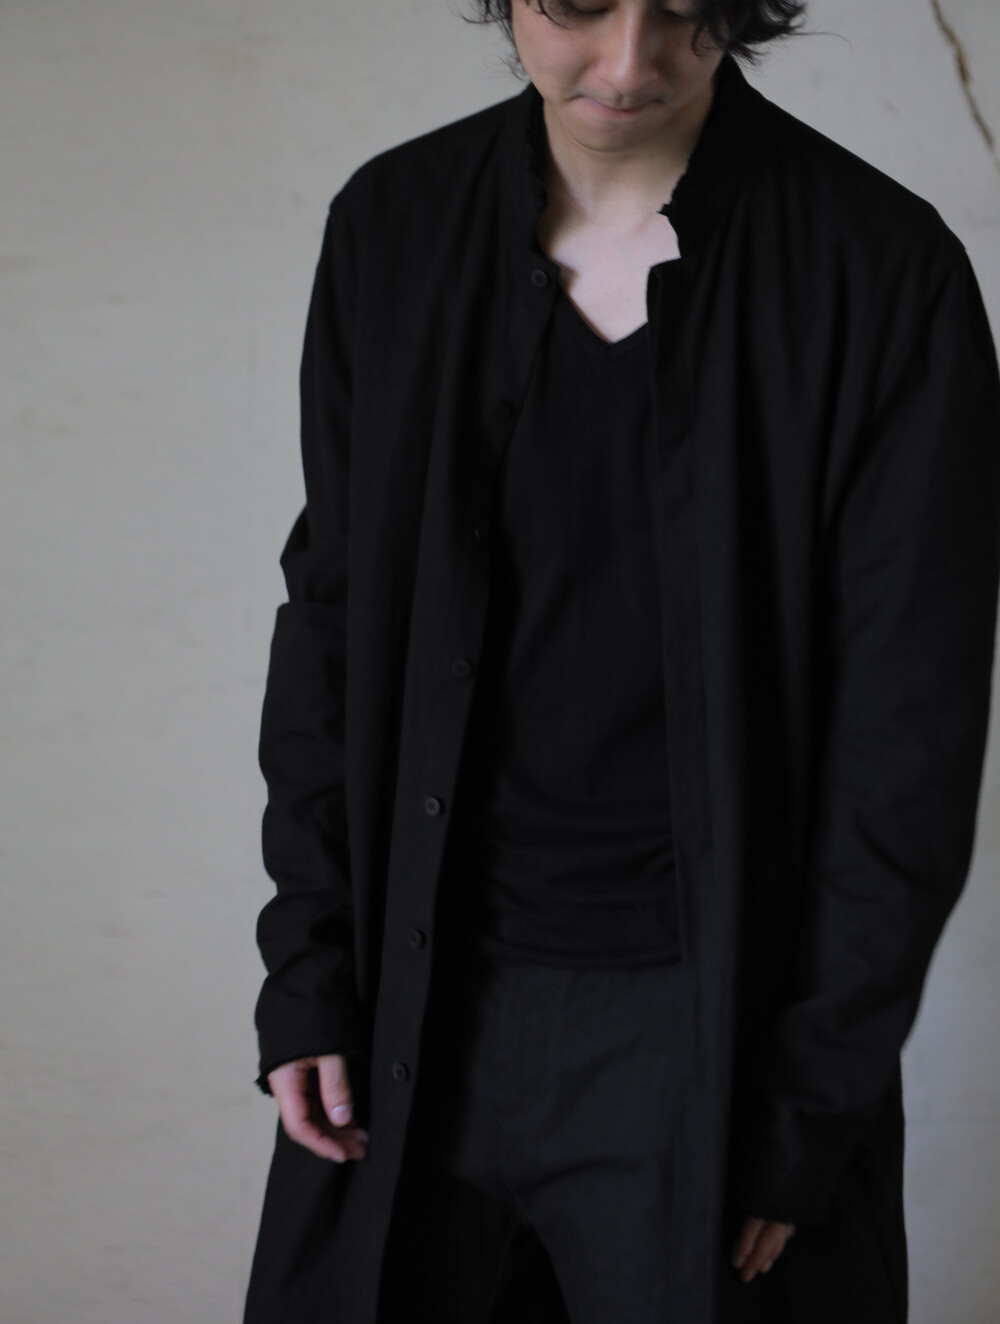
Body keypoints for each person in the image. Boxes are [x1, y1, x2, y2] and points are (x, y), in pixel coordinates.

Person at [244, 1, 1000, 1320]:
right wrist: (308, 975)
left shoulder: (880, 268)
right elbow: (330, 624)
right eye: (581, 3)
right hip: (418, 1004)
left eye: (687, 9)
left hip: (709, 1038)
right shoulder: (393, 226)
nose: (632, 60)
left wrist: (808, 1100)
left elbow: (910, 738)